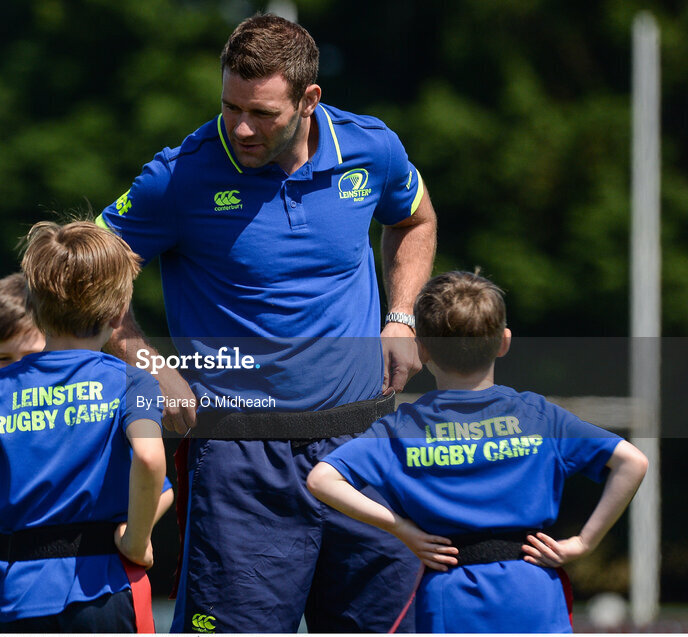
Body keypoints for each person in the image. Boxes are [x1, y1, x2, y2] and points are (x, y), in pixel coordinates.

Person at [96, 13, 437, 633]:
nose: (243, 128)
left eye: (263, 113)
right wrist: (149, 364)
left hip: (365, 448)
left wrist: (401, 317)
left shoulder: (372, 148)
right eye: (230, 108)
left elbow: (413, 219)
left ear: (309, 100)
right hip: (238, 460)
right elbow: (84, 272)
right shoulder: (178, 175)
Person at [307, 270, 649, 632]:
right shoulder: (540, 416)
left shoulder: (402, 427)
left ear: (421, 347)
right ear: (504, 342)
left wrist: (401, 529)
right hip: (533, 587)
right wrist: (583, 542)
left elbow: (322, 479)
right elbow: (632, 462)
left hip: (451, 591)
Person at [0, 221, 167, 633]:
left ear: (36, 310)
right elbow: (150, 460)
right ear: (118, 315)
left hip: (18, 594)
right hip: (109, 590)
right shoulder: (137, 381)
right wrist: (136, 539)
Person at [0, 272, 175, 632]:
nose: (17, 369)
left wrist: (134, 531)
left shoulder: (92, 408)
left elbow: (161, 486)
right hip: (1, 592)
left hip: (91, 582)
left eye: (29, 356)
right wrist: (13, 435)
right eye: (4, 359)